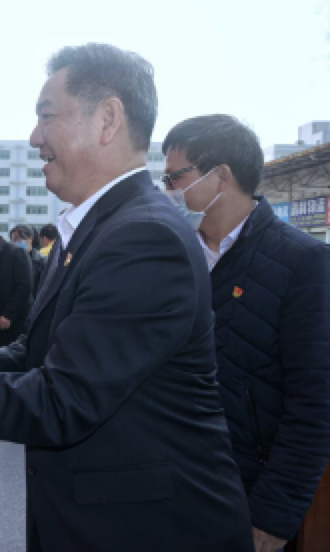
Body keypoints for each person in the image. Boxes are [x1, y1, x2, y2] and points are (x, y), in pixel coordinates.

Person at [0, 43, 254, 551]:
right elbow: (43, 350)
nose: (34, 137)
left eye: (46, 116)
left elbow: (64, 399)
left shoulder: (145, 237)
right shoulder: (92, 228)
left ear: (107, 119)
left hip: (148, 530)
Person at [161, 114, 330, 552]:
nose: (167, 191)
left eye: (175, 178)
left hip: (248, 496)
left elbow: (315, 403)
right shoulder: (170, 259)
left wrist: (271, 519)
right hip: (172, 489)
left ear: (221, 177)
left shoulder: (303, 262)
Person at [10, 224, 46, 296]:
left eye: (19, 239)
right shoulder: (11, 260)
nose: (16, 243)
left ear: (30, 238)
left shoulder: (41, 260)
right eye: (14, 240)